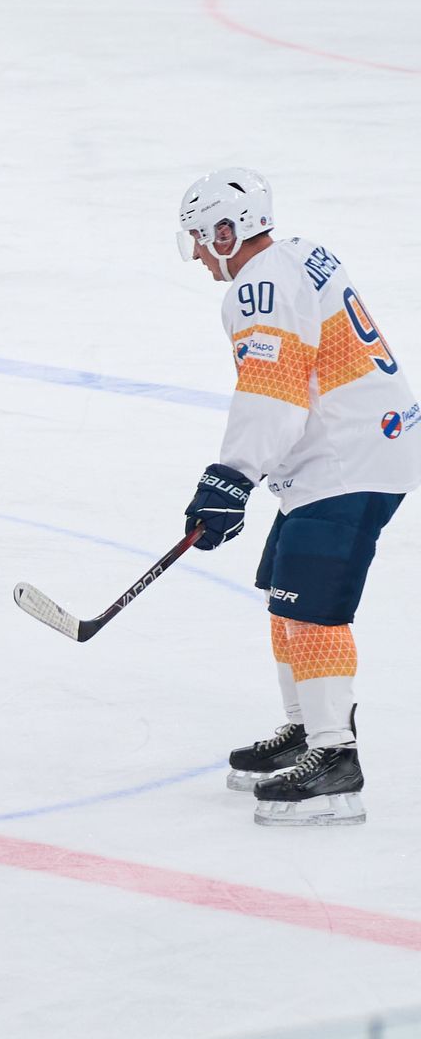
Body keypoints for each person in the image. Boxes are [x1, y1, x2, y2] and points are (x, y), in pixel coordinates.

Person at [177, 168, 419, 825]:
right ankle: (308, 730)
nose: (197, 253)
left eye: (200, 237)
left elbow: (274, 390)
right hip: (351, 449)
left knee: (312, 610)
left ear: (227, 231)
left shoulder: (259, 286)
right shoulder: (294, 256)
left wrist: (231, 475)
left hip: (349, 459)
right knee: (283, 593)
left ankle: (335, 758)